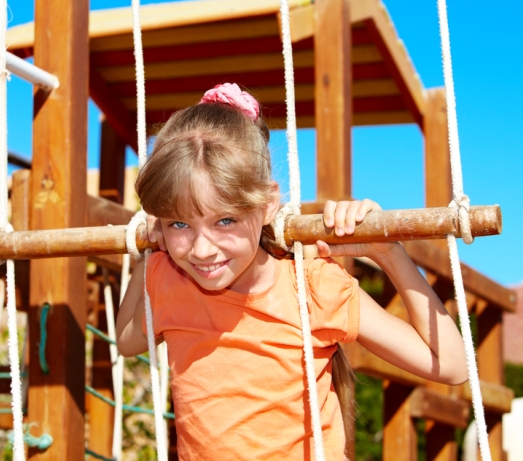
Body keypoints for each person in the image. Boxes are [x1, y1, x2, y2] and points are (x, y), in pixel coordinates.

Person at [116, 83, 467, 460]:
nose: (202, 250)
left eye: (225, 220)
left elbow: (451, 366)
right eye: (179, 224)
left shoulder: (310, 287)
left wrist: (389, 253)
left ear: (268, 204)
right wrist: (150, 252)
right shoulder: (168, 274)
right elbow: (127, 340)